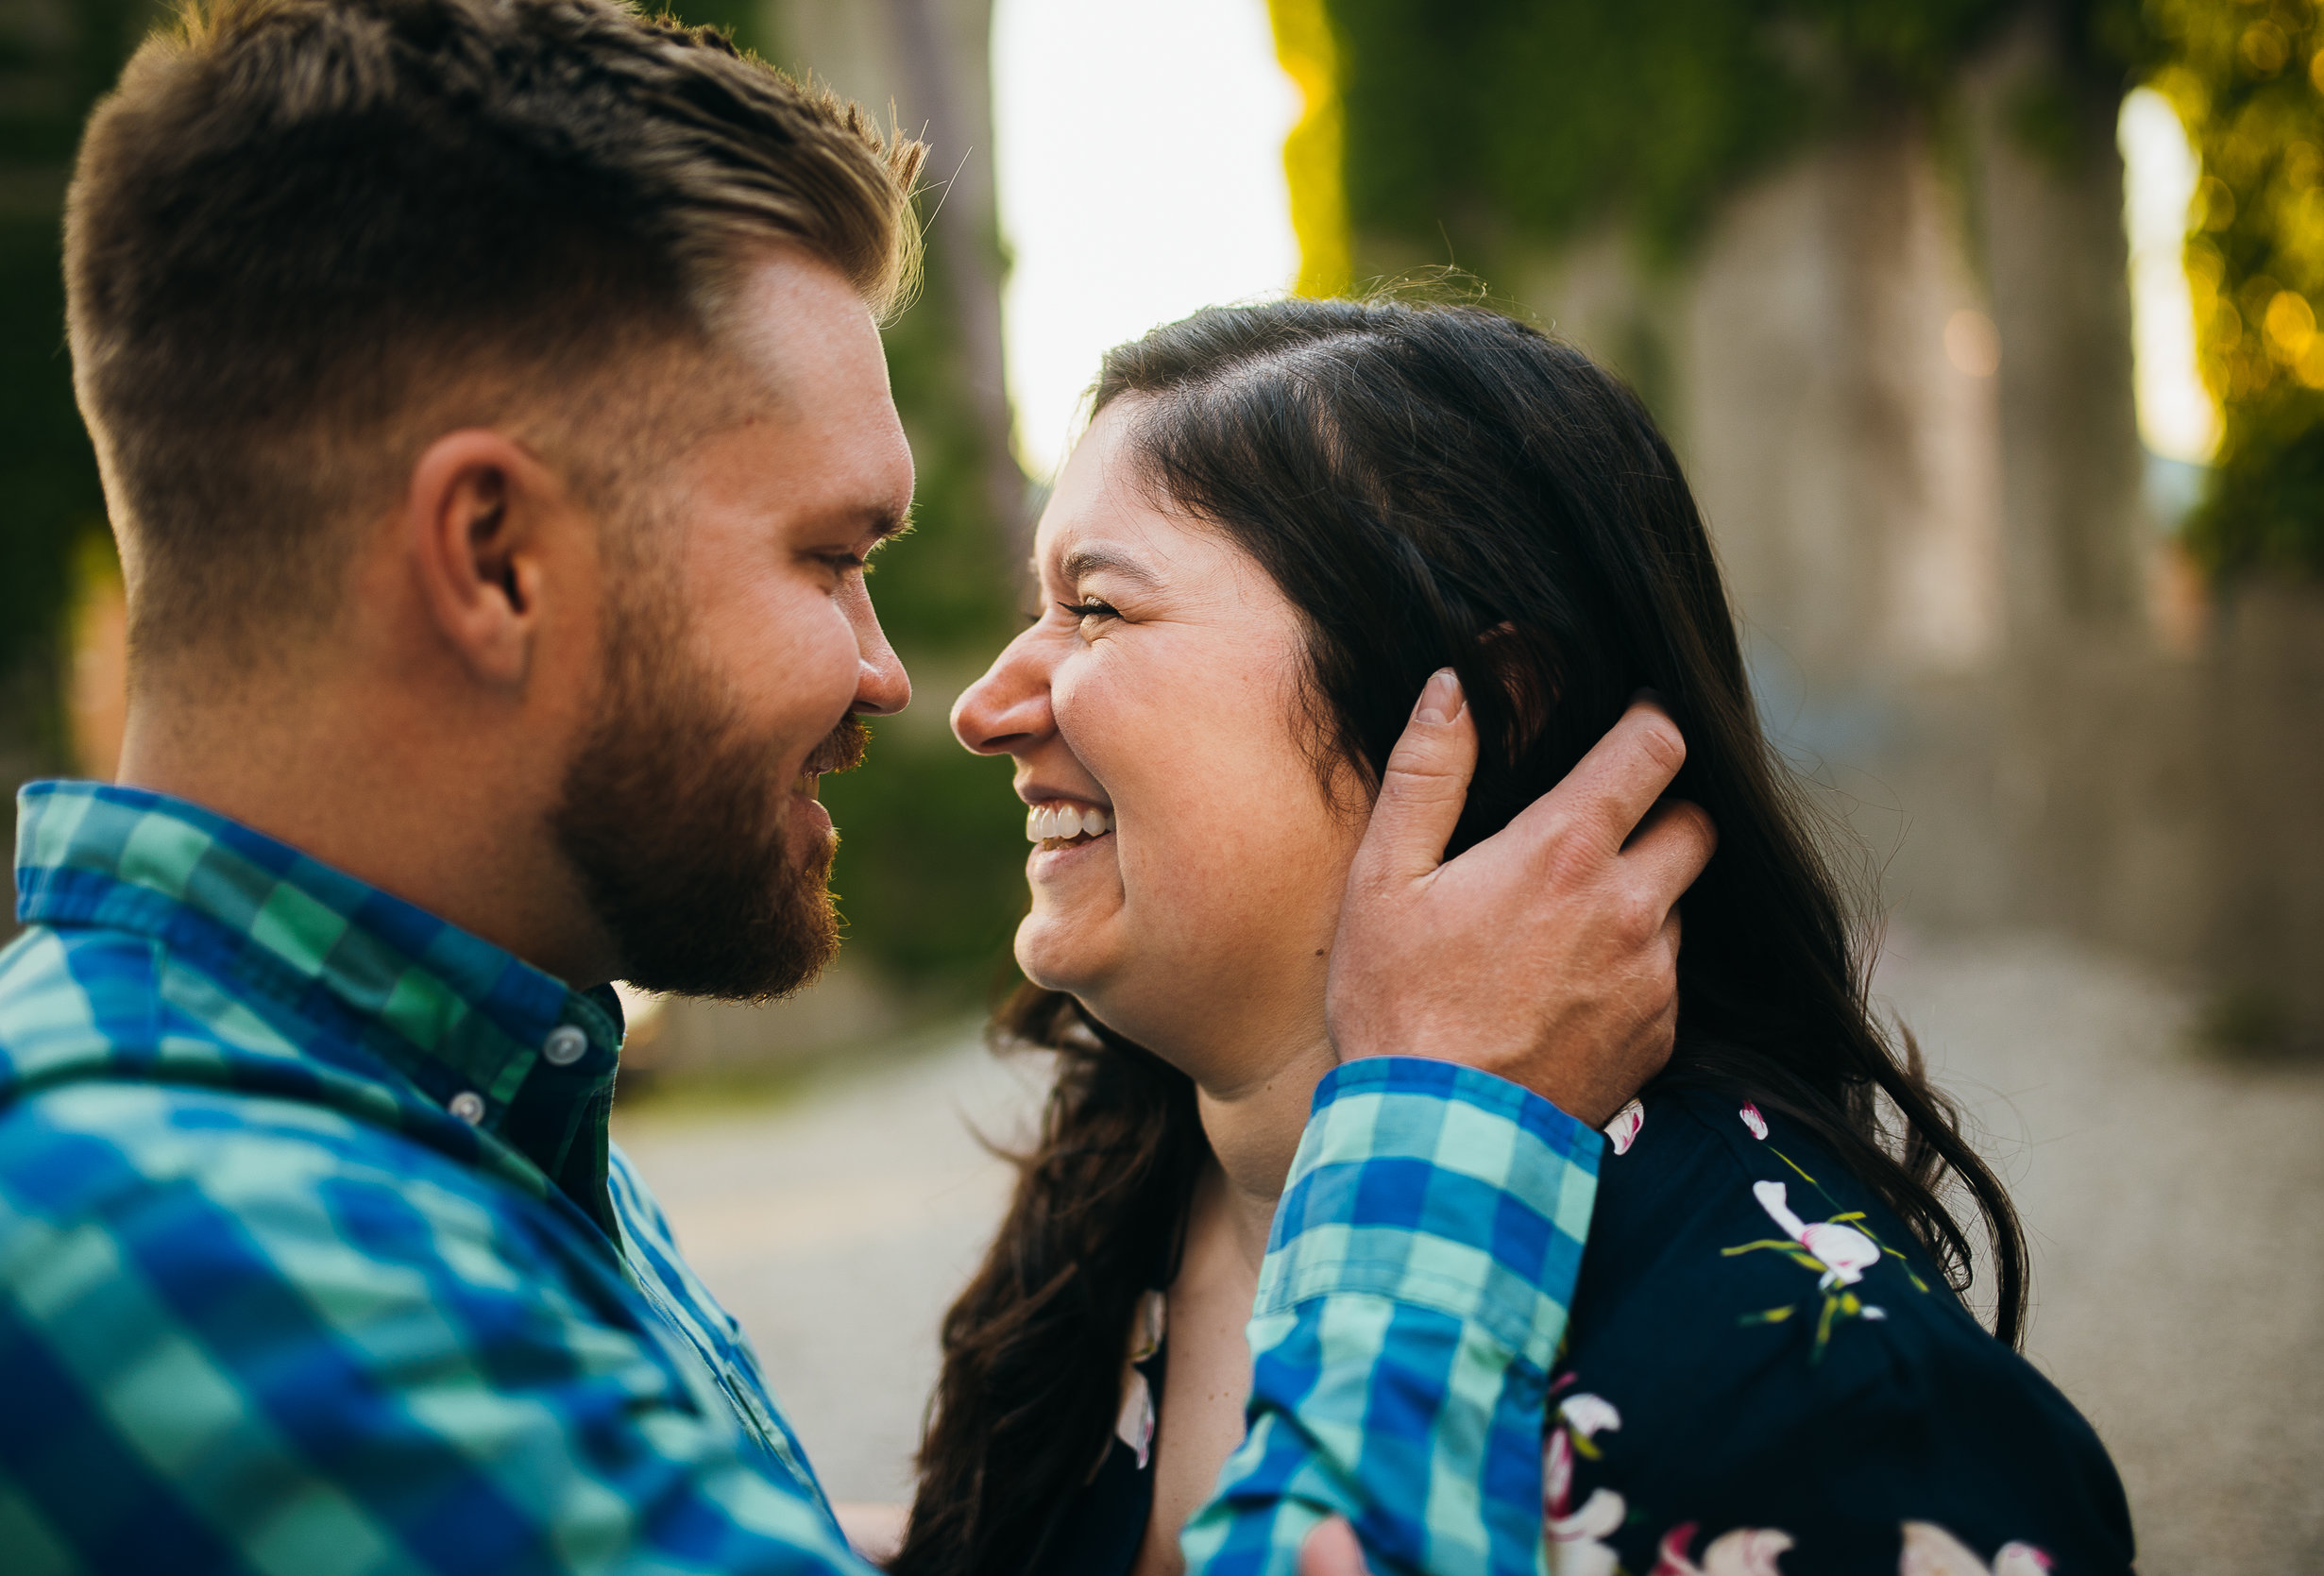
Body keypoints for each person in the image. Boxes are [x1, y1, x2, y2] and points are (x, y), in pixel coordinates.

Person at [0, 4, 1716, 1573]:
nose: (901, 680)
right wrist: (1443, 1123)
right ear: (495, 558)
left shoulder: (411, 1100)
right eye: (828, 557)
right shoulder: (195, 1240)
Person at [918, 298, 2138, 1576]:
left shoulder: (1843, 1410)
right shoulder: (1105, 1206)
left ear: (1487, 711)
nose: (988, 703)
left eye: (1097, 609)